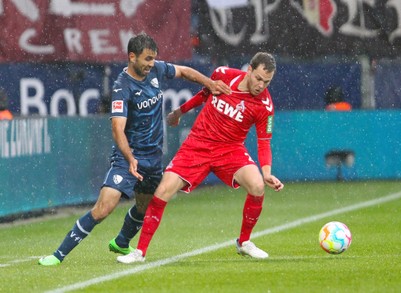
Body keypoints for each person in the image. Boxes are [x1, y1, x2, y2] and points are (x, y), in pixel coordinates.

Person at [38, 33, 230, 266]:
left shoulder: (157, 70)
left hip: (152, 159)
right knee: (103, 208)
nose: (151, 64)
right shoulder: (122, 88)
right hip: (127, 159)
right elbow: (118, 129)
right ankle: (58, 255)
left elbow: (183, 71)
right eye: (147, 59)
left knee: (145, 206)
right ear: (132, 56)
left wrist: (209, 84)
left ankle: (121, 241)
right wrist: (129, 158)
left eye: (153, 59)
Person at [117, 52, 284, 264]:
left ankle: (244, 242)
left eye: (267, 82)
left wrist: (267, 172)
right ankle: (139, 252)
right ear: (249, 70)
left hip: (230, 150)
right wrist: (180, 111)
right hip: (198, 144)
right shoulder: (223, 75)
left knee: (258, 186)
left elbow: (263, 142)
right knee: (162, 191)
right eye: (258, 78)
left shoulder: (265, 106)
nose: (261, 85)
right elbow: (205, 94)